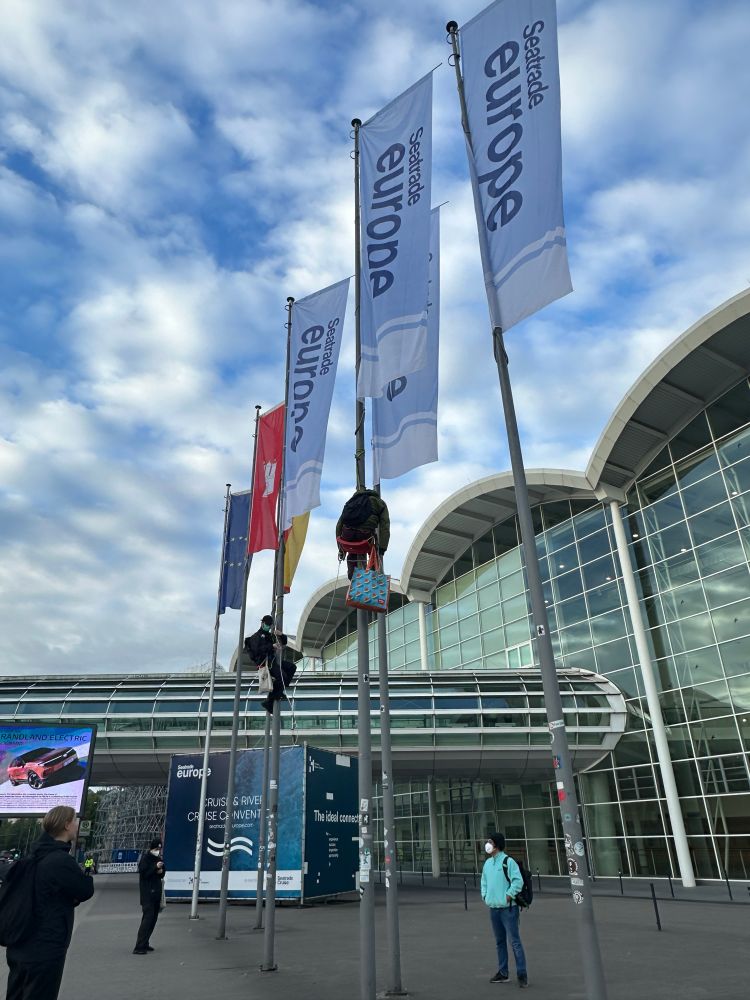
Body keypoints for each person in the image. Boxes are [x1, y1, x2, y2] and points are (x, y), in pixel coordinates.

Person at [5, 805, 94, 1000]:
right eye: (75, 820)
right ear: (66, 825)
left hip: (19, 942)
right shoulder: (60, 861)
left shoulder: (32, 857)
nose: (78, 824)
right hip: (45, 945)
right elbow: (85, 889)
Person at [480, 832, 528, 988]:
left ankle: (522, 974)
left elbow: (517, 881)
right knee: (499, 942)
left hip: (508, 909)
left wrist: (508, 895)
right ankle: (503, 972)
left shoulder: (508, 861)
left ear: (497, 845)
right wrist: (485, 896)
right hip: (493, 909)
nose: (487, 844)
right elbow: (484, 882)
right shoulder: (487, 863)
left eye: (490, 842)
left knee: (514, 941)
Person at [244, 615, 297, 713]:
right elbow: (256, 651)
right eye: (267, 624)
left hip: (273, 661)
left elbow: (284, 642)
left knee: (292, 667)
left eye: (269, 625)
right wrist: (271, 646)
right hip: (265, 663)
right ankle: (273, 698)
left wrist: (281, 635)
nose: (268, 626)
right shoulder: (256, 636)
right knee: (282, 676)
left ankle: (277, 693)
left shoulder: (270, 635)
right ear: (262, 623)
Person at [335, 486, 390, 579]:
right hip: (365, 535)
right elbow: (385, 526)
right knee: (373, 550)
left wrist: (341, 550)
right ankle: (372, 577)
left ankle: (352, 578)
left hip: (347, 534)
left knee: (352, 550)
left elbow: (339, 525)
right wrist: (382, 548)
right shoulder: (380, 503)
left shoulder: (352, 501)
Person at [133, 837, 165, 955]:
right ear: (152, 848)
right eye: (157, 848)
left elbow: (161, 873)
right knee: (147, 919)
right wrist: (155, 867)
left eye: (160, 849)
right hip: (147, 894)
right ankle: (139, 946)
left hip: (156, 894)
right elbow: (144, 873)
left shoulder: (158, 858)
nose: (158, 851)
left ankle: (145, 942)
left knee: (152, 920)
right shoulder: (146, 859)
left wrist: (162, 871)